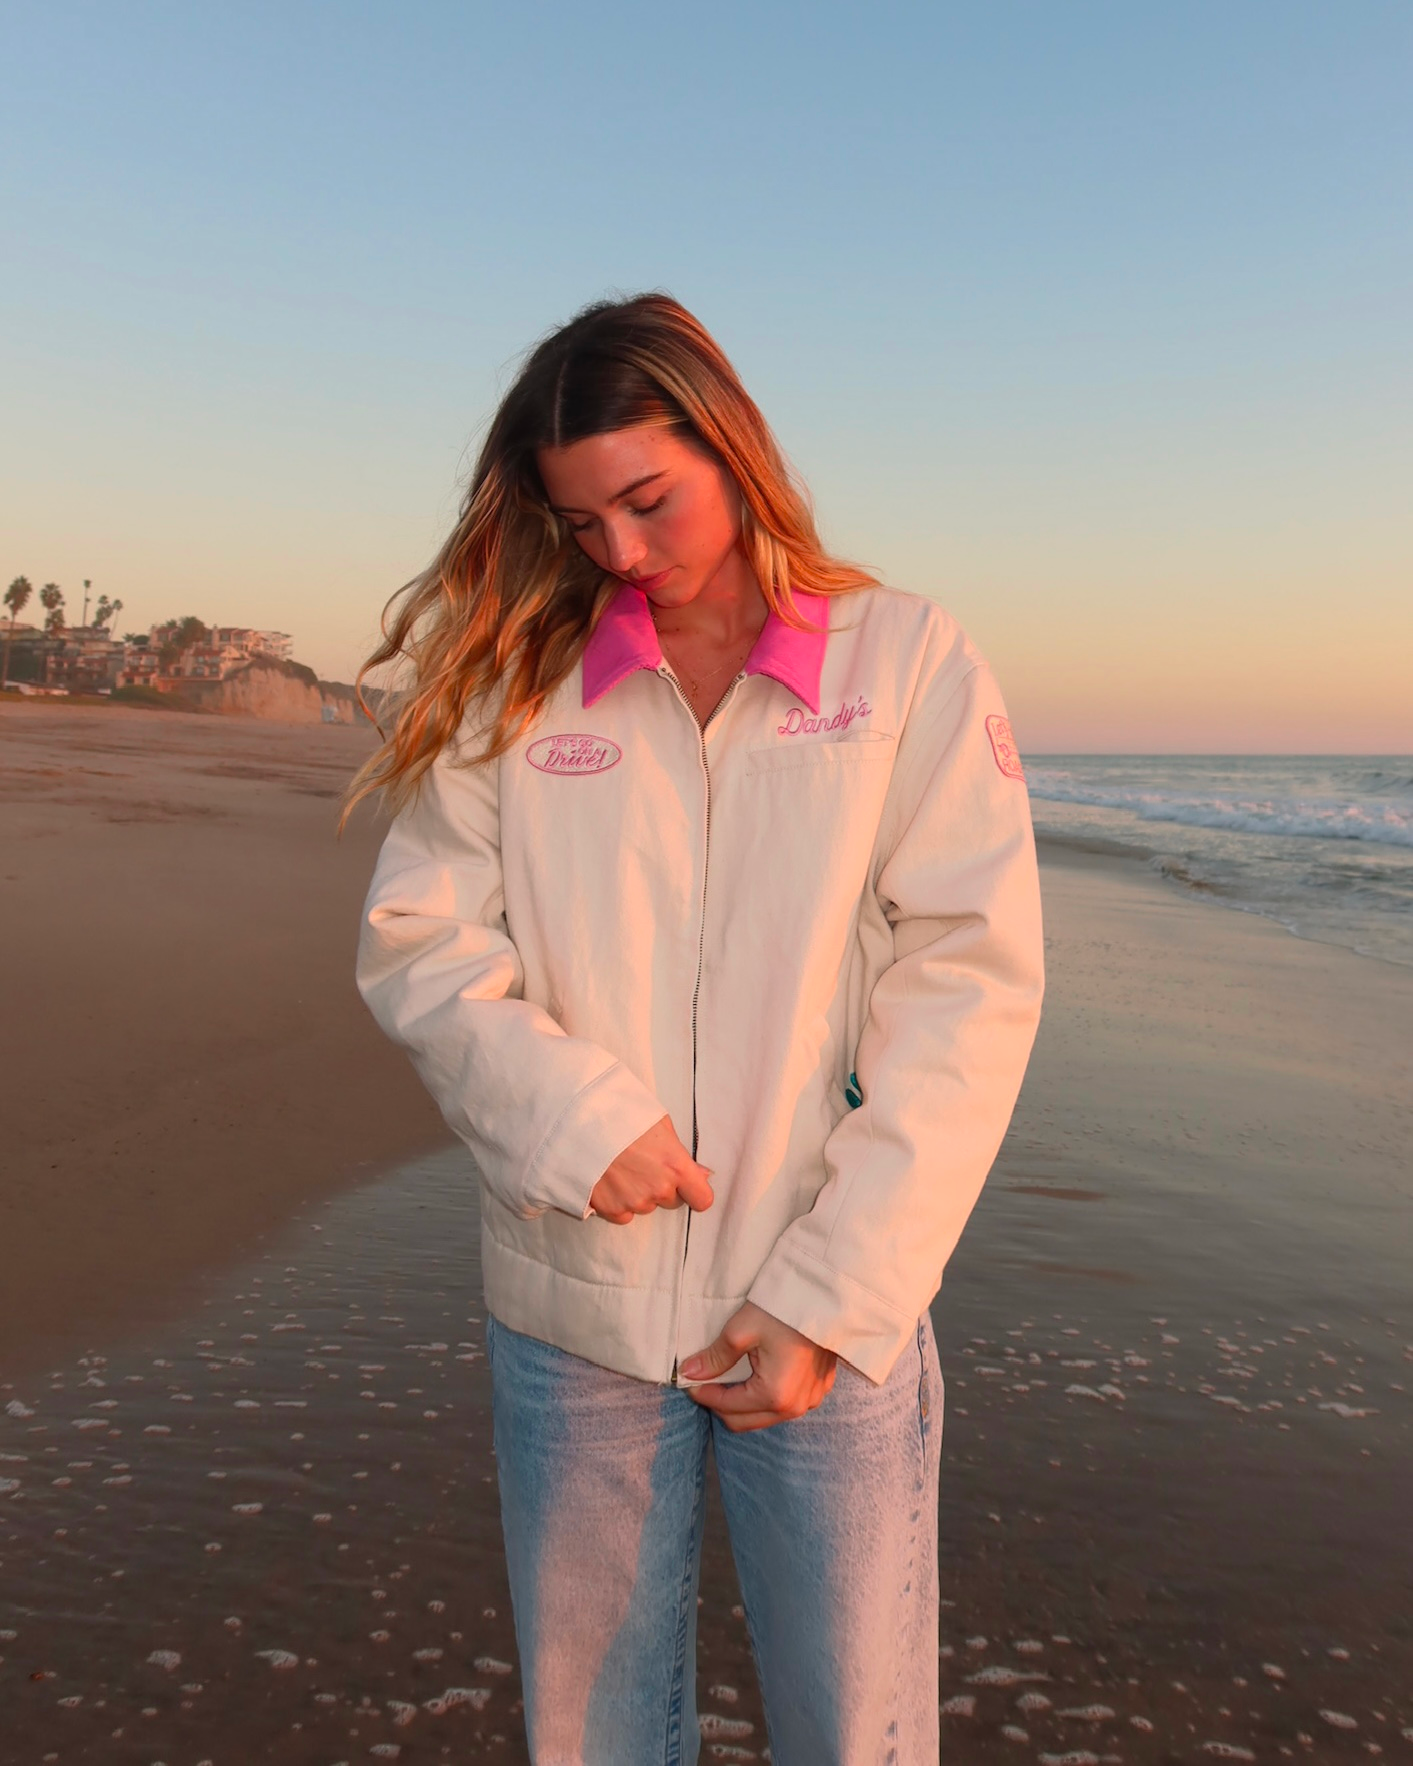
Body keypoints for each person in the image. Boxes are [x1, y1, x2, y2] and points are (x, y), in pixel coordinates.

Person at [350, 292, 1044, 1765]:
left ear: (730, 442)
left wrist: (836, 1295)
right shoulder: (516, 688)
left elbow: (970, 980)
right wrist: (569, 1119)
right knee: (594, 1738)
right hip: (576, 1313)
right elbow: (417, 940)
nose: (619, 552)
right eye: (580, 519)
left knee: (855, 1734)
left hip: (825, 1317)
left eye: (649, 500)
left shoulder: (906, 662)